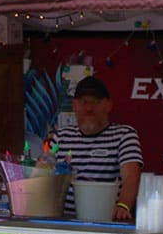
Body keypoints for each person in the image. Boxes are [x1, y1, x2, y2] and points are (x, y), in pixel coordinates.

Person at [52, 76, 142, 222]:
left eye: (96, 102)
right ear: (74, 105)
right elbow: (44, 175)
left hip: (105, 221)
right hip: (62, 221)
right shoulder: (61, 136)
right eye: (84, 102)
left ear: (109, 105)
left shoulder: (124, 135)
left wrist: (123, 206)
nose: (89, 108)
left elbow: (131, 176)